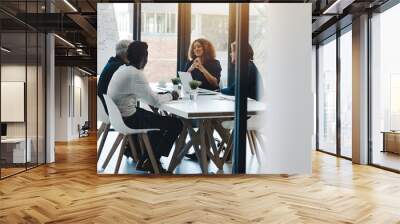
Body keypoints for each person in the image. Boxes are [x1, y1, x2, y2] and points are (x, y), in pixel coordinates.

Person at [107, 41, 183, 173]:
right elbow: (156, 102)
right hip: (128, 119)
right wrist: (172, 95)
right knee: (176, 124)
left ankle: (136, 151)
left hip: (120, 117)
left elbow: (144, 96)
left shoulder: (123, 69)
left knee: (157, 120)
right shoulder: (135, 74)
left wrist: (160, 96)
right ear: (144, 58)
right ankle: (151, 161)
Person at [97, 39, 132, 114]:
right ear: (125, 53)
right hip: (113, 110)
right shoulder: (119, 67)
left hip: (105, 107)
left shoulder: (111, 63)